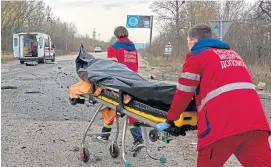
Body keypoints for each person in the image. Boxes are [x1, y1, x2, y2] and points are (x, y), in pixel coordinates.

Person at [156, 23, 271, 167]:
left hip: (221, 127)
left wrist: (170, 118)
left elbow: (183, 93)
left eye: (188, 41)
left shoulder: (197, 56)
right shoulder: (234, 55)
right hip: (255, 124)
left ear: (193, 40)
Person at [96, 26, 144, 151]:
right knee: (132, 110)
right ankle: (138, 139)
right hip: (133, 83)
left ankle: (105, 134)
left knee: (109, 104)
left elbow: (111, 69)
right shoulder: (133, 49)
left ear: (116, 35)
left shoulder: (113, 48)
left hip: (119, 84)